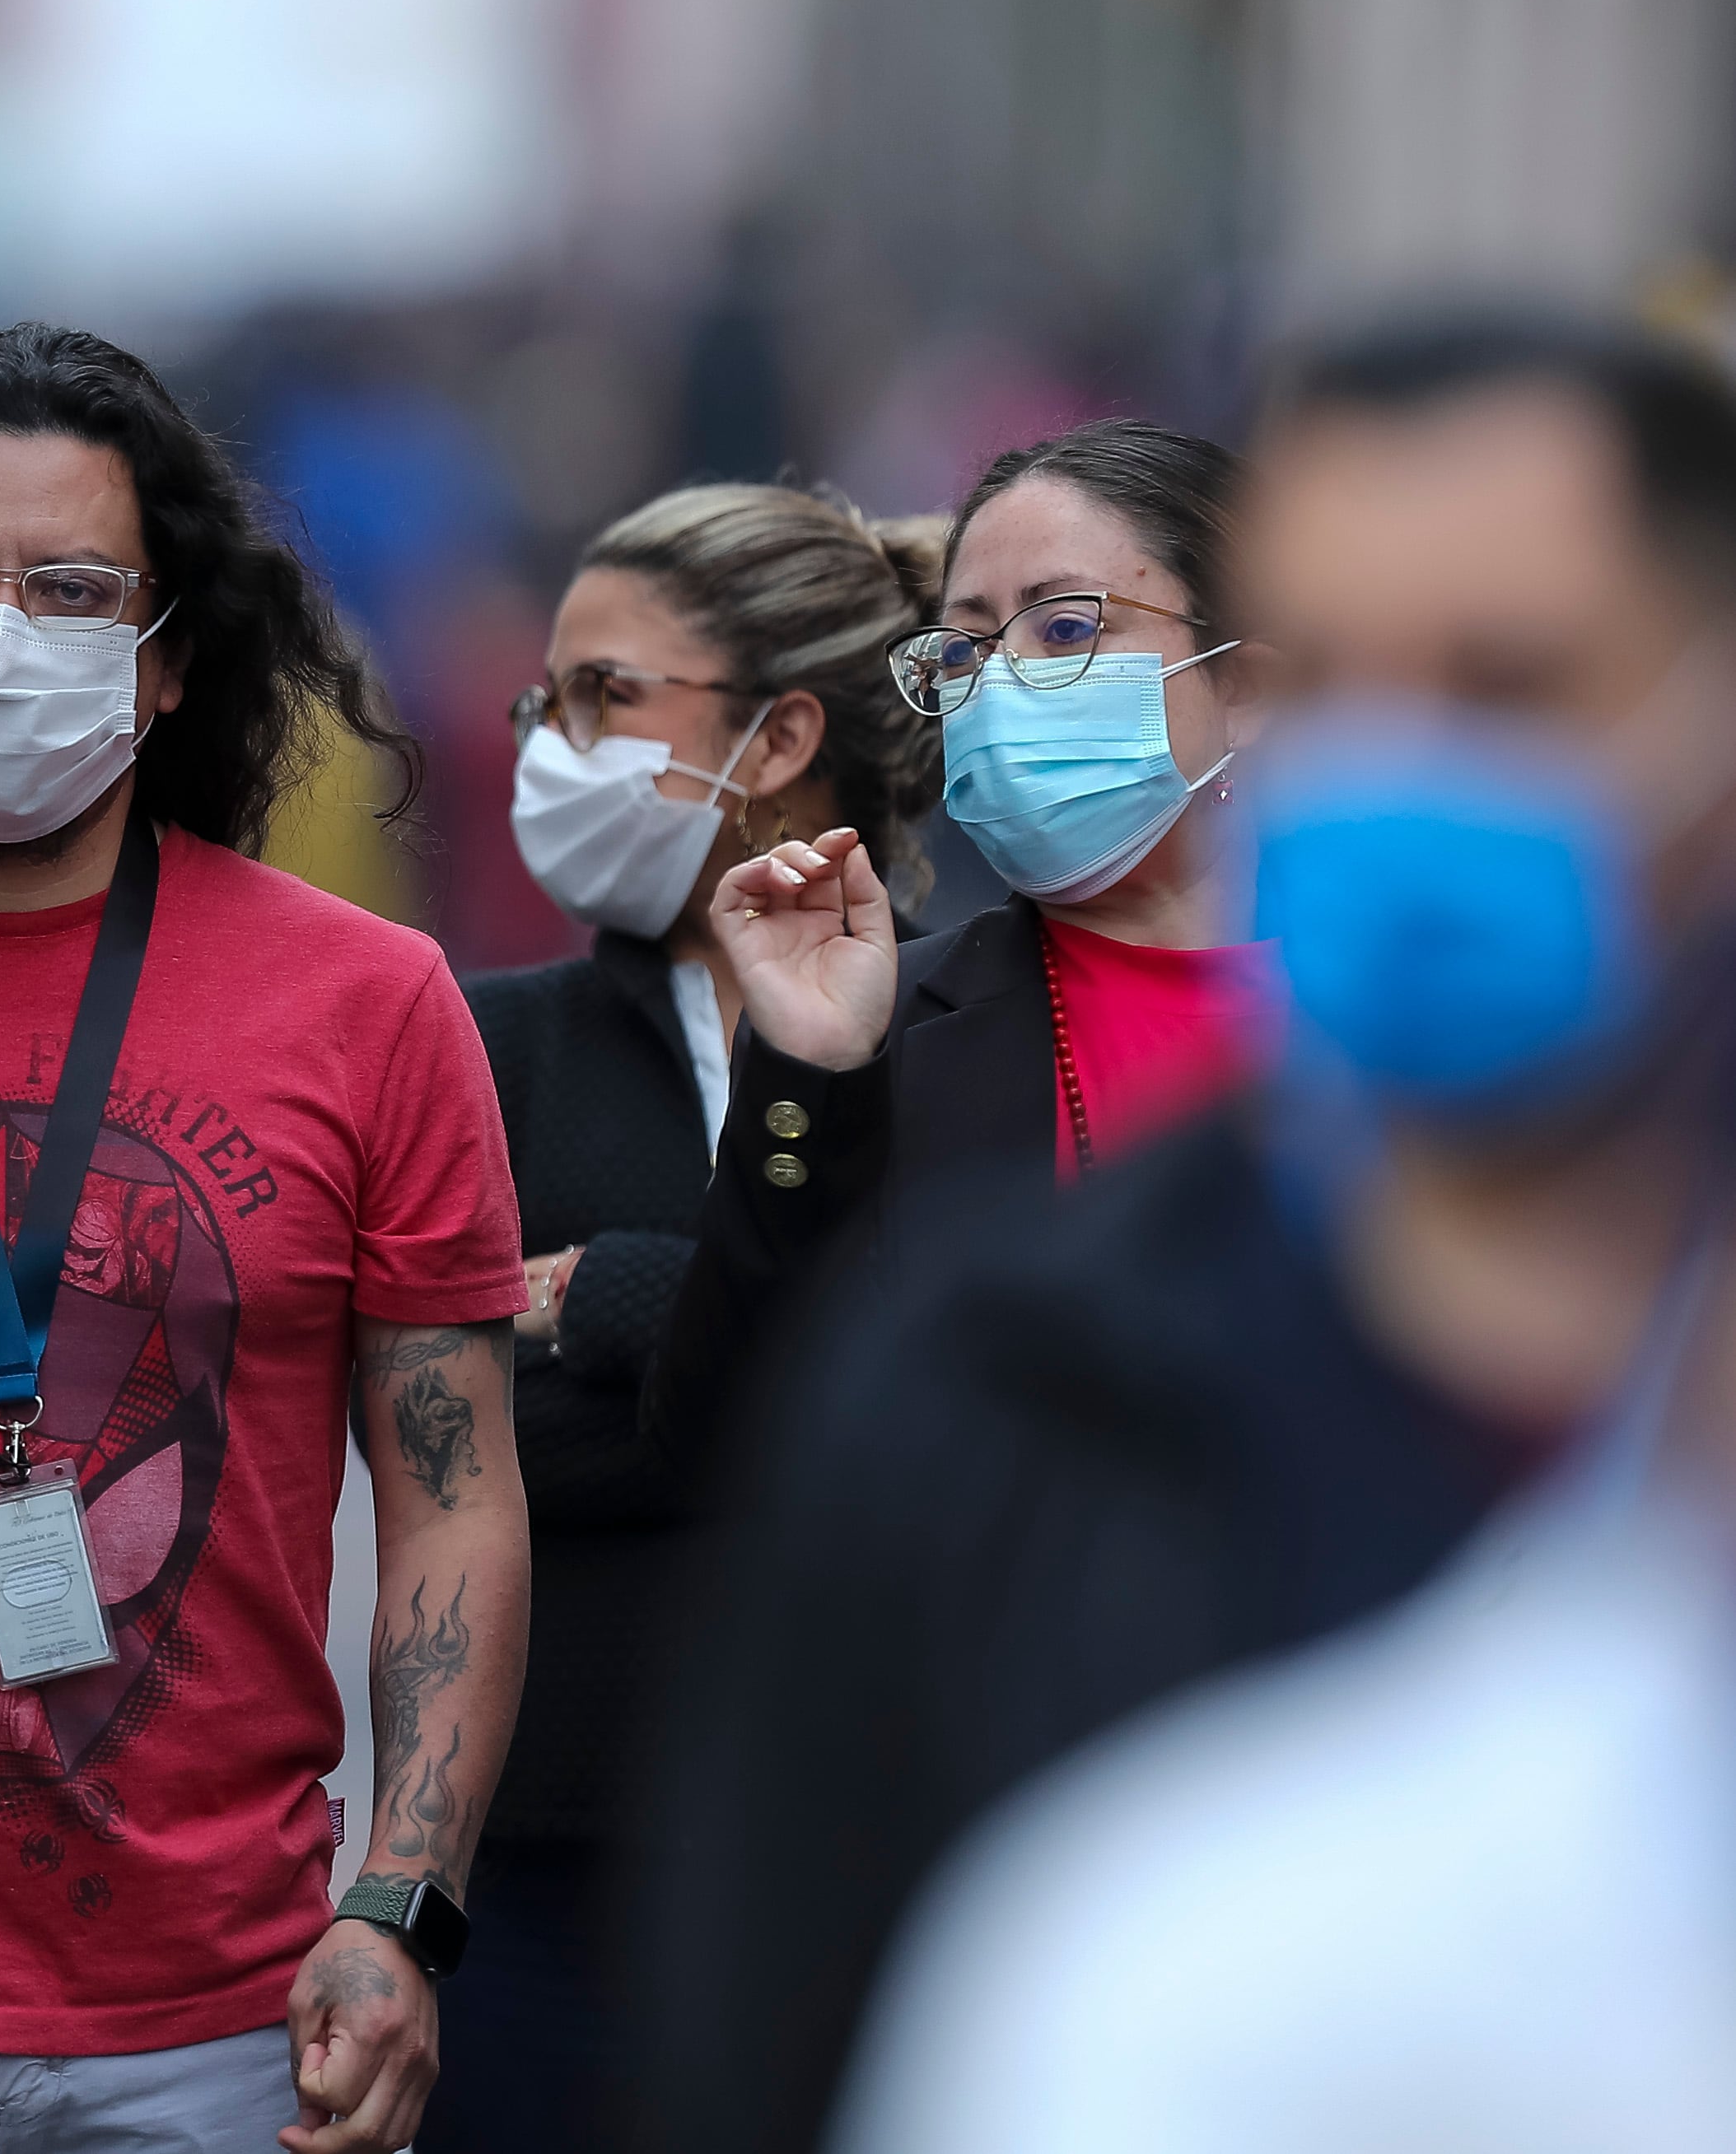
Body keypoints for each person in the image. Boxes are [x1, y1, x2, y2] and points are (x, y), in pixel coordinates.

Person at [619, 316, 1736, 2153]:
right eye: (1349, 680)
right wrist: (804, 1091)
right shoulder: (1009, 1363)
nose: (1400, 757)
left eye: (1512, 681)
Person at [0, 321, 534, 2154]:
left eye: (69, 588)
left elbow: (448, 1483)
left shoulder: (373, 1003)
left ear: (163, 664)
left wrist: (402, 1900)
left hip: (207, 2021)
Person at [437, 485, 941, 2154]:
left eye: (601, 695)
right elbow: (484, 1448)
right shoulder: (485, 1040)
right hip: (550, 1878)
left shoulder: (967, 1018)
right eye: (539, 701)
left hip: (895, 1850)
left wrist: (618, 1289)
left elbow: (927, 1394)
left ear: (781, 730)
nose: (548, 741)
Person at [646, 419, 1285, 1446]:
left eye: (1065, 629)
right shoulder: (879, 1025)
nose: (992, 687)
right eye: (960, 648)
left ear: (1243, 683)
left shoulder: (1403, 1007)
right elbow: (720, 1437)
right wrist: (810, 1076)